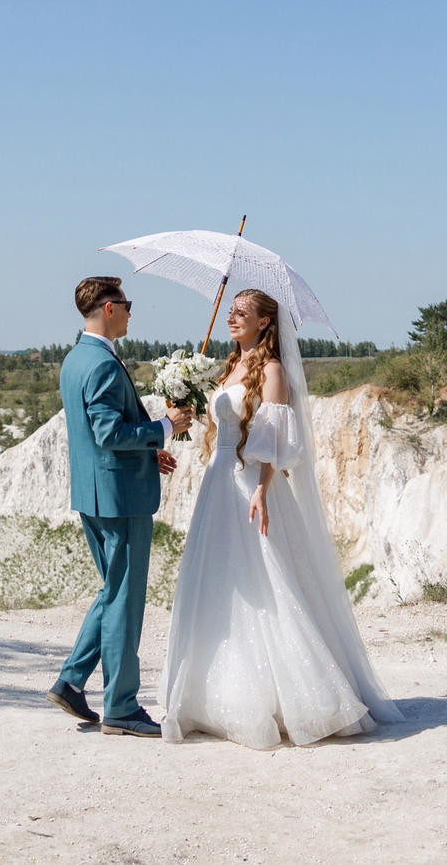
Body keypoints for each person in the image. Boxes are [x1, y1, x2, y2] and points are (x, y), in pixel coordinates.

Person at [158, 287, 402, 748]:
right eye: (229, 311)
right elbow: (217, 421)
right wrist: (183, 388)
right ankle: (205, 695)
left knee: (269, 585)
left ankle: (296, 697)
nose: (232, 318)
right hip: (217, 482)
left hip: (250, 483)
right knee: (217, 581)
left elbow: (276, 441)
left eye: (242, 313)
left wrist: (264, 491)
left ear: (265, 323)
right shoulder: (228, 365)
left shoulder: (272, 372)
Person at [47, 274, 189, 737]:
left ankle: (71, 681)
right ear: (109, 308)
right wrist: (165, 427)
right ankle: (122, 706)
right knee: (125, 600)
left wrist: (148, 450)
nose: (131, 311)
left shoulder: (75, 359)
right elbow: (109, 433)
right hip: (120, 499)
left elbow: (95, 433)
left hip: (94, 493)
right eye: (127, 304)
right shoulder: (104, 365)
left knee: (112, 589)